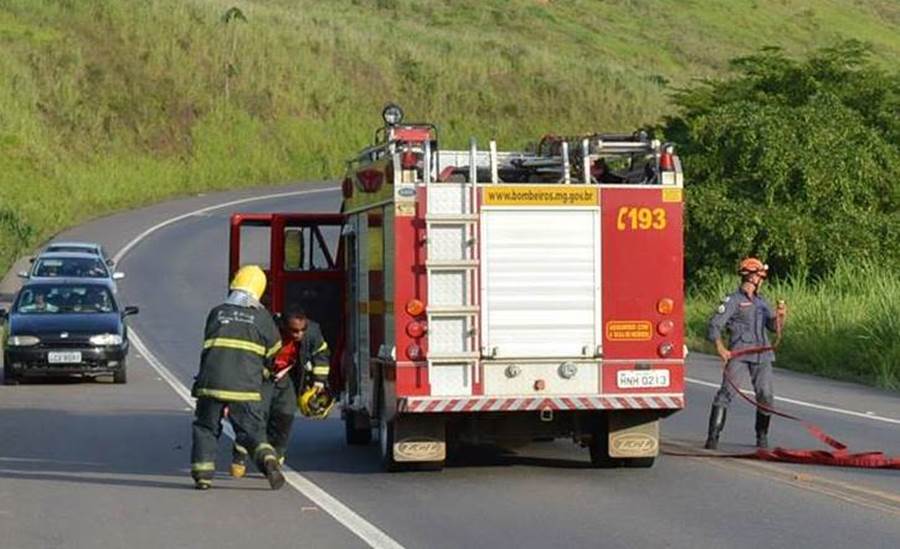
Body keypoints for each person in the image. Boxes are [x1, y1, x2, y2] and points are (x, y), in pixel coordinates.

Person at [189, 265, 286, 490]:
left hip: (210, 384)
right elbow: (275, 350)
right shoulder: (262, 318)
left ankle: (203, 477)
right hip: (245, 387)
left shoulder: (217, 312)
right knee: (251, 431)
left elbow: (208, 347)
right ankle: (268, 460)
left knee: (206, 428)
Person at [231, 310, 330, 477]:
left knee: (285, 415)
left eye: (302, 330)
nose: (299, 334)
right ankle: (240, 455)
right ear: (283, 327)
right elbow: (248, 356)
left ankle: (275, 459)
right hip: (262, 378)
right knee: (257, 416)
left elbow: (321, 353)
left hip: (286, 378)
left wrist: (318, 381)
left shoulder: (311, 332)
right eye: (294, 331)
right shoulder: (266, 330)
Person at [704, 257, 787, 450]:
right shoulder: (733, 300)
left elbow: (773, 328)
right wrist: (720, 348)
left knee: (766, 395)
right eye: (760, 275)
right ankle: (713, 436)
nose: (762, 279)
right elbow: (715, 324)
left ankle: (762, 436)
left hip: (762, 355)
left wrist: (780, 316)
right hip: (740, 354)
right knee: (726, 393)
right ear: (750, 276)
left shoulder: (762, 302)